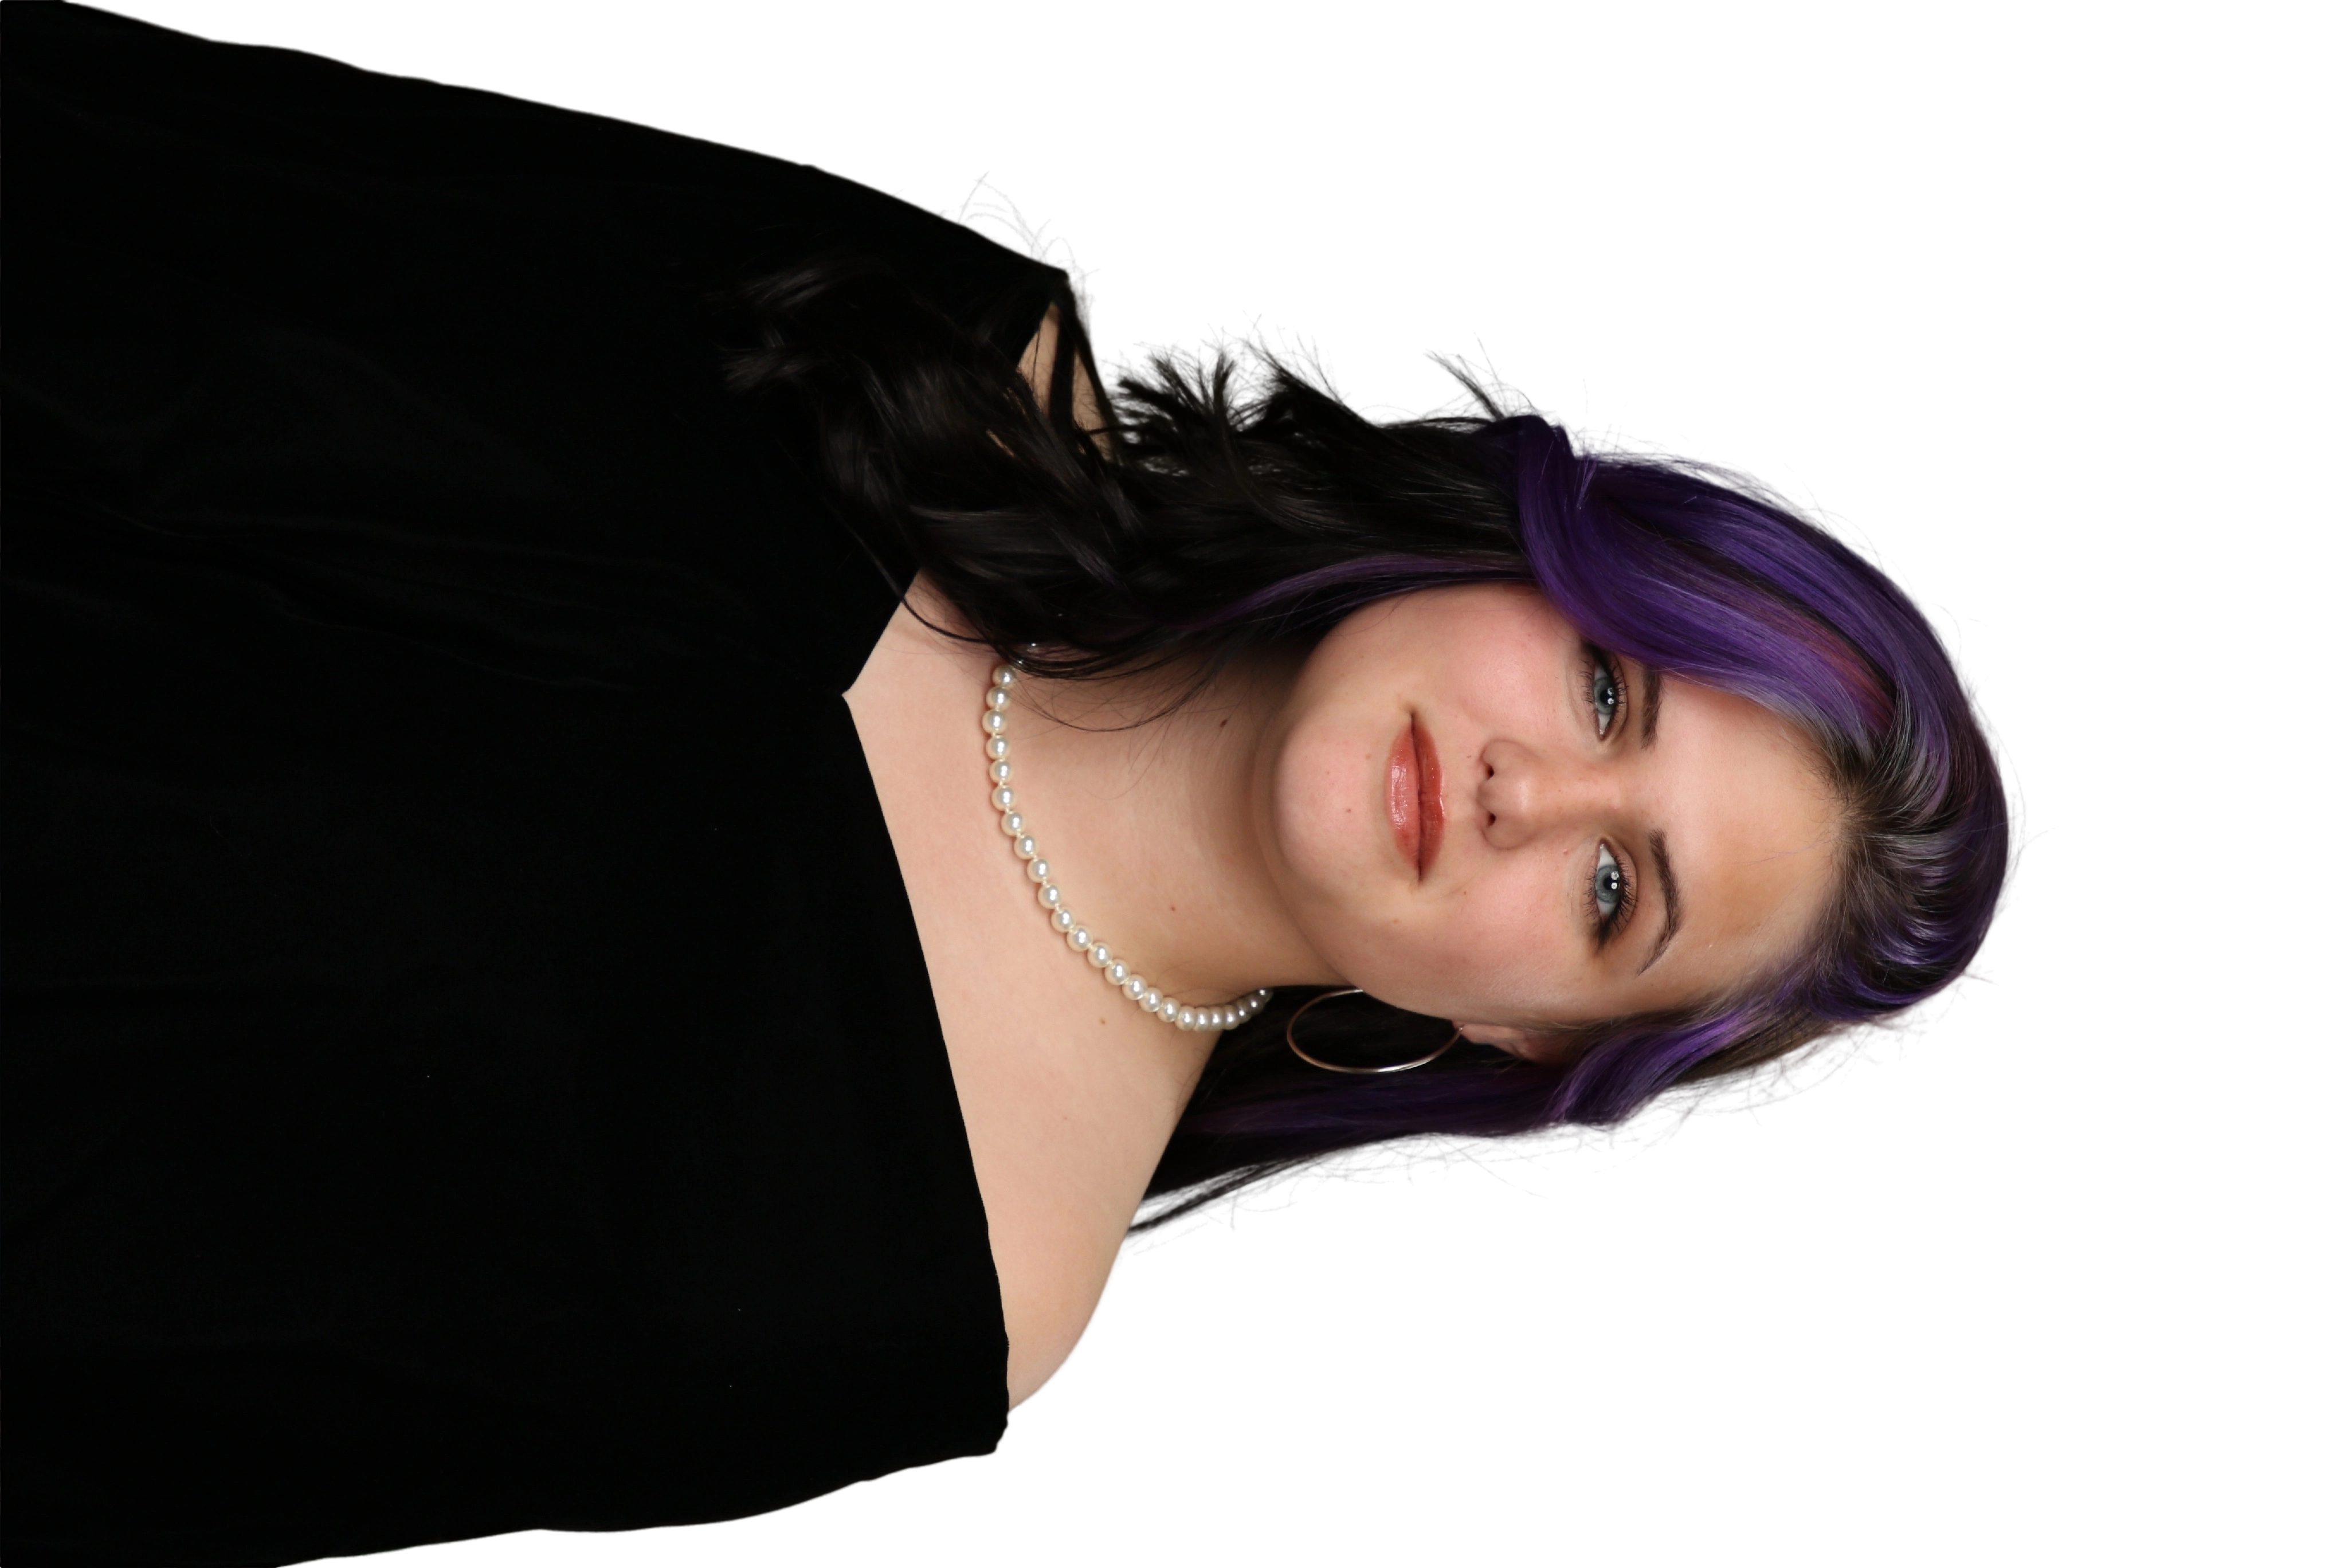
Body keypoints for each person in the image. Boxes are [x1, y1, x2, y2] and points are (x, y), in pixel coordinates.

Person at [1, 3, 2030, 1565]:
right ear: (1522, 546)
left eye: (1614, 894)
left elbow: (122, 1421)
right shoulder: (922, 353)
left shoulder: (937, 1286)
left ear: (1524, 1036)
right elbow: (140, 170)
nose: (1527, 793)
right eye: (1604, 684)